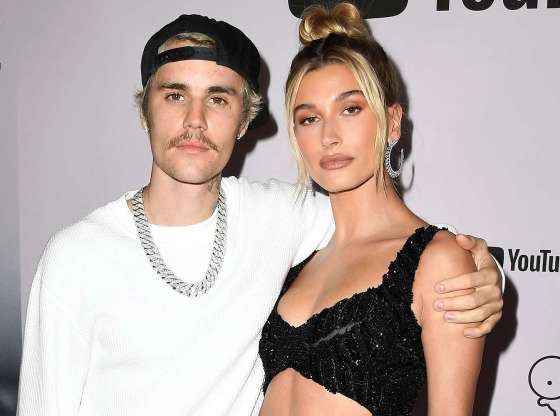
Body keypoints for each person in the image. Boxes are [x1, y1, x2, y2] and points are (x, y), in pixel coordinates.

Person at [17, 12, 503, 416]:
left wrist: (483, 270)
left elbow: (404, 247)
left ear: (245, 120)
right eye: (175, 95)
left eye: (218, 99)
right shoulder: (77, 256)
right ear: (146, 109)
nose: (194, 120)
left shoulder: (278, 217)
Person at [259, 4, 488, 415]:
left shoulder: (437, 260)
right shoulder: (299, 260)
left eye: (350, 109)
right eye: (309, 119)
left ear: (392, 121)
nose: (329, 136)